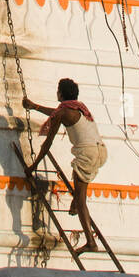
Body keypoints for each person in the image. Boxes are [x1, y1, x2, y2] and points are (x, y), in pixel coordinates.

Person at [22, 79, 108, 256]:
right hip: (100, 151)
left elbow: (47, 144)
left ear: (60, 94)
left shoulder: (63, 113)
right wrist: (35, 107)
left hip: (86, 153)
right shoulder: (79, 108)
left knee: (81, 198)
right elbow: (57, 113)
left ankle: (90, 242)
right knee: (79, 182)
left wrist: (33, 167)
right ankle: (75, 205)